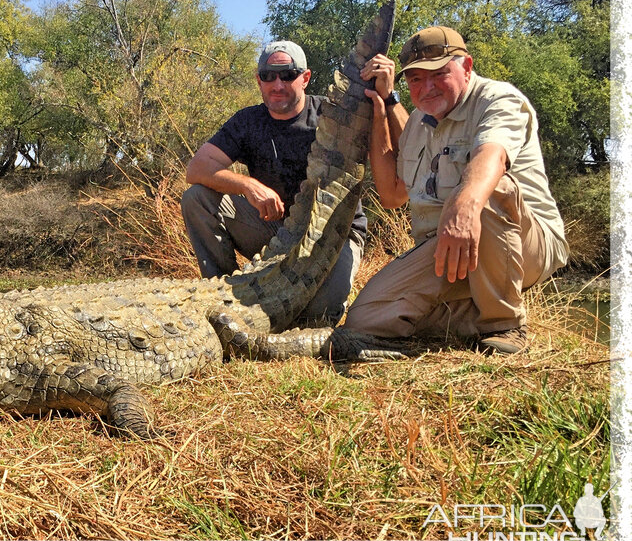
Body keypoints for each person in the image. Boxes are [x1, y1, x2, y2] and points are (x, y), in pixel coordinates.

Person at [344, 25, 569, 353]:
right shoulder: (419, 123)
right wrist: (381, 108)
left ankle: (504, 324)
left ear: (466, 66)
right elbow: (393, 194)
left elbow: (491, 156)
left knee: (487, 190)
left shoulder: (497, 98)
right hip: (449, 248)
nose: (427, 87)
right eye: (416, 79)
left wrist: (463, 204)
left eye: (439, 74)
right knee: (364, 318)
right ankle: (471, 315)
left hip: (525, 244)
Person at [181, 40, 367, 323]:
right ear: (259, 80)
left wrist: (389, 96)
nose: (277, 84)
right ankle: (222, 299)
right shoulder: (247, 121)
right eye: (269, 75)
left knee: (315, 317)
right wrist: (247, 185)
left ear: (305, 78)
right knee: (196, 197)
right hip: (276, 232)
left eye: (288, 74)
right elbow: (197, 169)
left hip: (333, 235)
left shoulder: (331, 116)